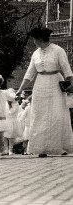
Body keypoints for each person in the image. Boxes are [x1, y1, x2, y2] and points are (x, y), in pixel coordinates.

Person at [16, 26, 73, 157]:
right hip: (40, 84)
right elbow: (29, 73)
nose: (34, 42)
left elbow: (67, 69)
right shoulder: (35, 53)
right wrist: (20, 89)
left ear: (40, 39)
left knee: (56, 114)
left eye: (35, 39)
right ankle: (40, 148)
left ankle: (58, 147)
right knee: (39, 115)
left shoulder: (58, 50)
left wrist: (70, 84)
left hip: (55, 84)